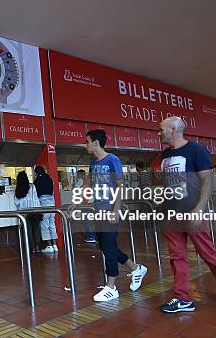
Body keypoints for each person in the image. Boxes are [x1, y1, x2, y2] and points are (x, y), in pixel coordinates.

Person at [158, 116, 216, 313]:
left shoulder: (196, 150)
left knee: (206, 252)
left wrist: (199, 209)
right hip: (172, 212)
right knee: (177, 256)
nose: (159, 133)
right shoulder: (164, 155)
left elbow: (207, 181)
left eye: (162, 129)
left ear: (174, 130)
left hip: (194, 211)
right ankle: (182, 298)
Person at [84, 129, 147, 302]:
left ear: (96, 142)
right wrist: (77, 202)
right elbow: (89, 185)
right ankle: (136, 268)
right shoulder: (93, 164)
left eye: (87, 141)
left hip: (110, 211)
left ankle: (111, 287)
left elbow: (120, 186)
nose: (85, 145)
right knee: (105, 246)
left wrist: (116, 210)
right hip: (99, 212)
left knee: (109, 247)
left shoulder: (113, 160)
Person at [13, 171, 42, 253]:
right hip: (35, 211)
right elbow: (36, 199)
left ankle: (32, 248)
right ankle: (37, 247)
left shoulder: (18, 189)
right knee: (36, 229)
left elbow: (16, 202)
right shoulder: (32, 186)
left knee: (28, 231)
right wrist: (39, 210)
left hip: (24, 213)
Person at [34, 166, 58, 253]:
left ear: (36, 173)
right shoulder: (49, 179)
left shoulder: (38, 181)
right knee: (52, 224)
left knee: (45, 225)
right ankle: (55, 245)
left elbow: (36, 193)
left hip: (43, 205)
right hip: (52, 204)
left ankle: (49, 245)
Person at [73, 169, 97, 243]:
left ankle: (91, 237)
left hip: (85, 203)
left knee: (86, 221)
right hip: (92, 202)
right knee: (92, 221)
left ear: (79, 174)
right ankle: (95, 236)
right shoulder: (90, 181)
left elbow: (76, 190)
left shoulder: (81, 180)